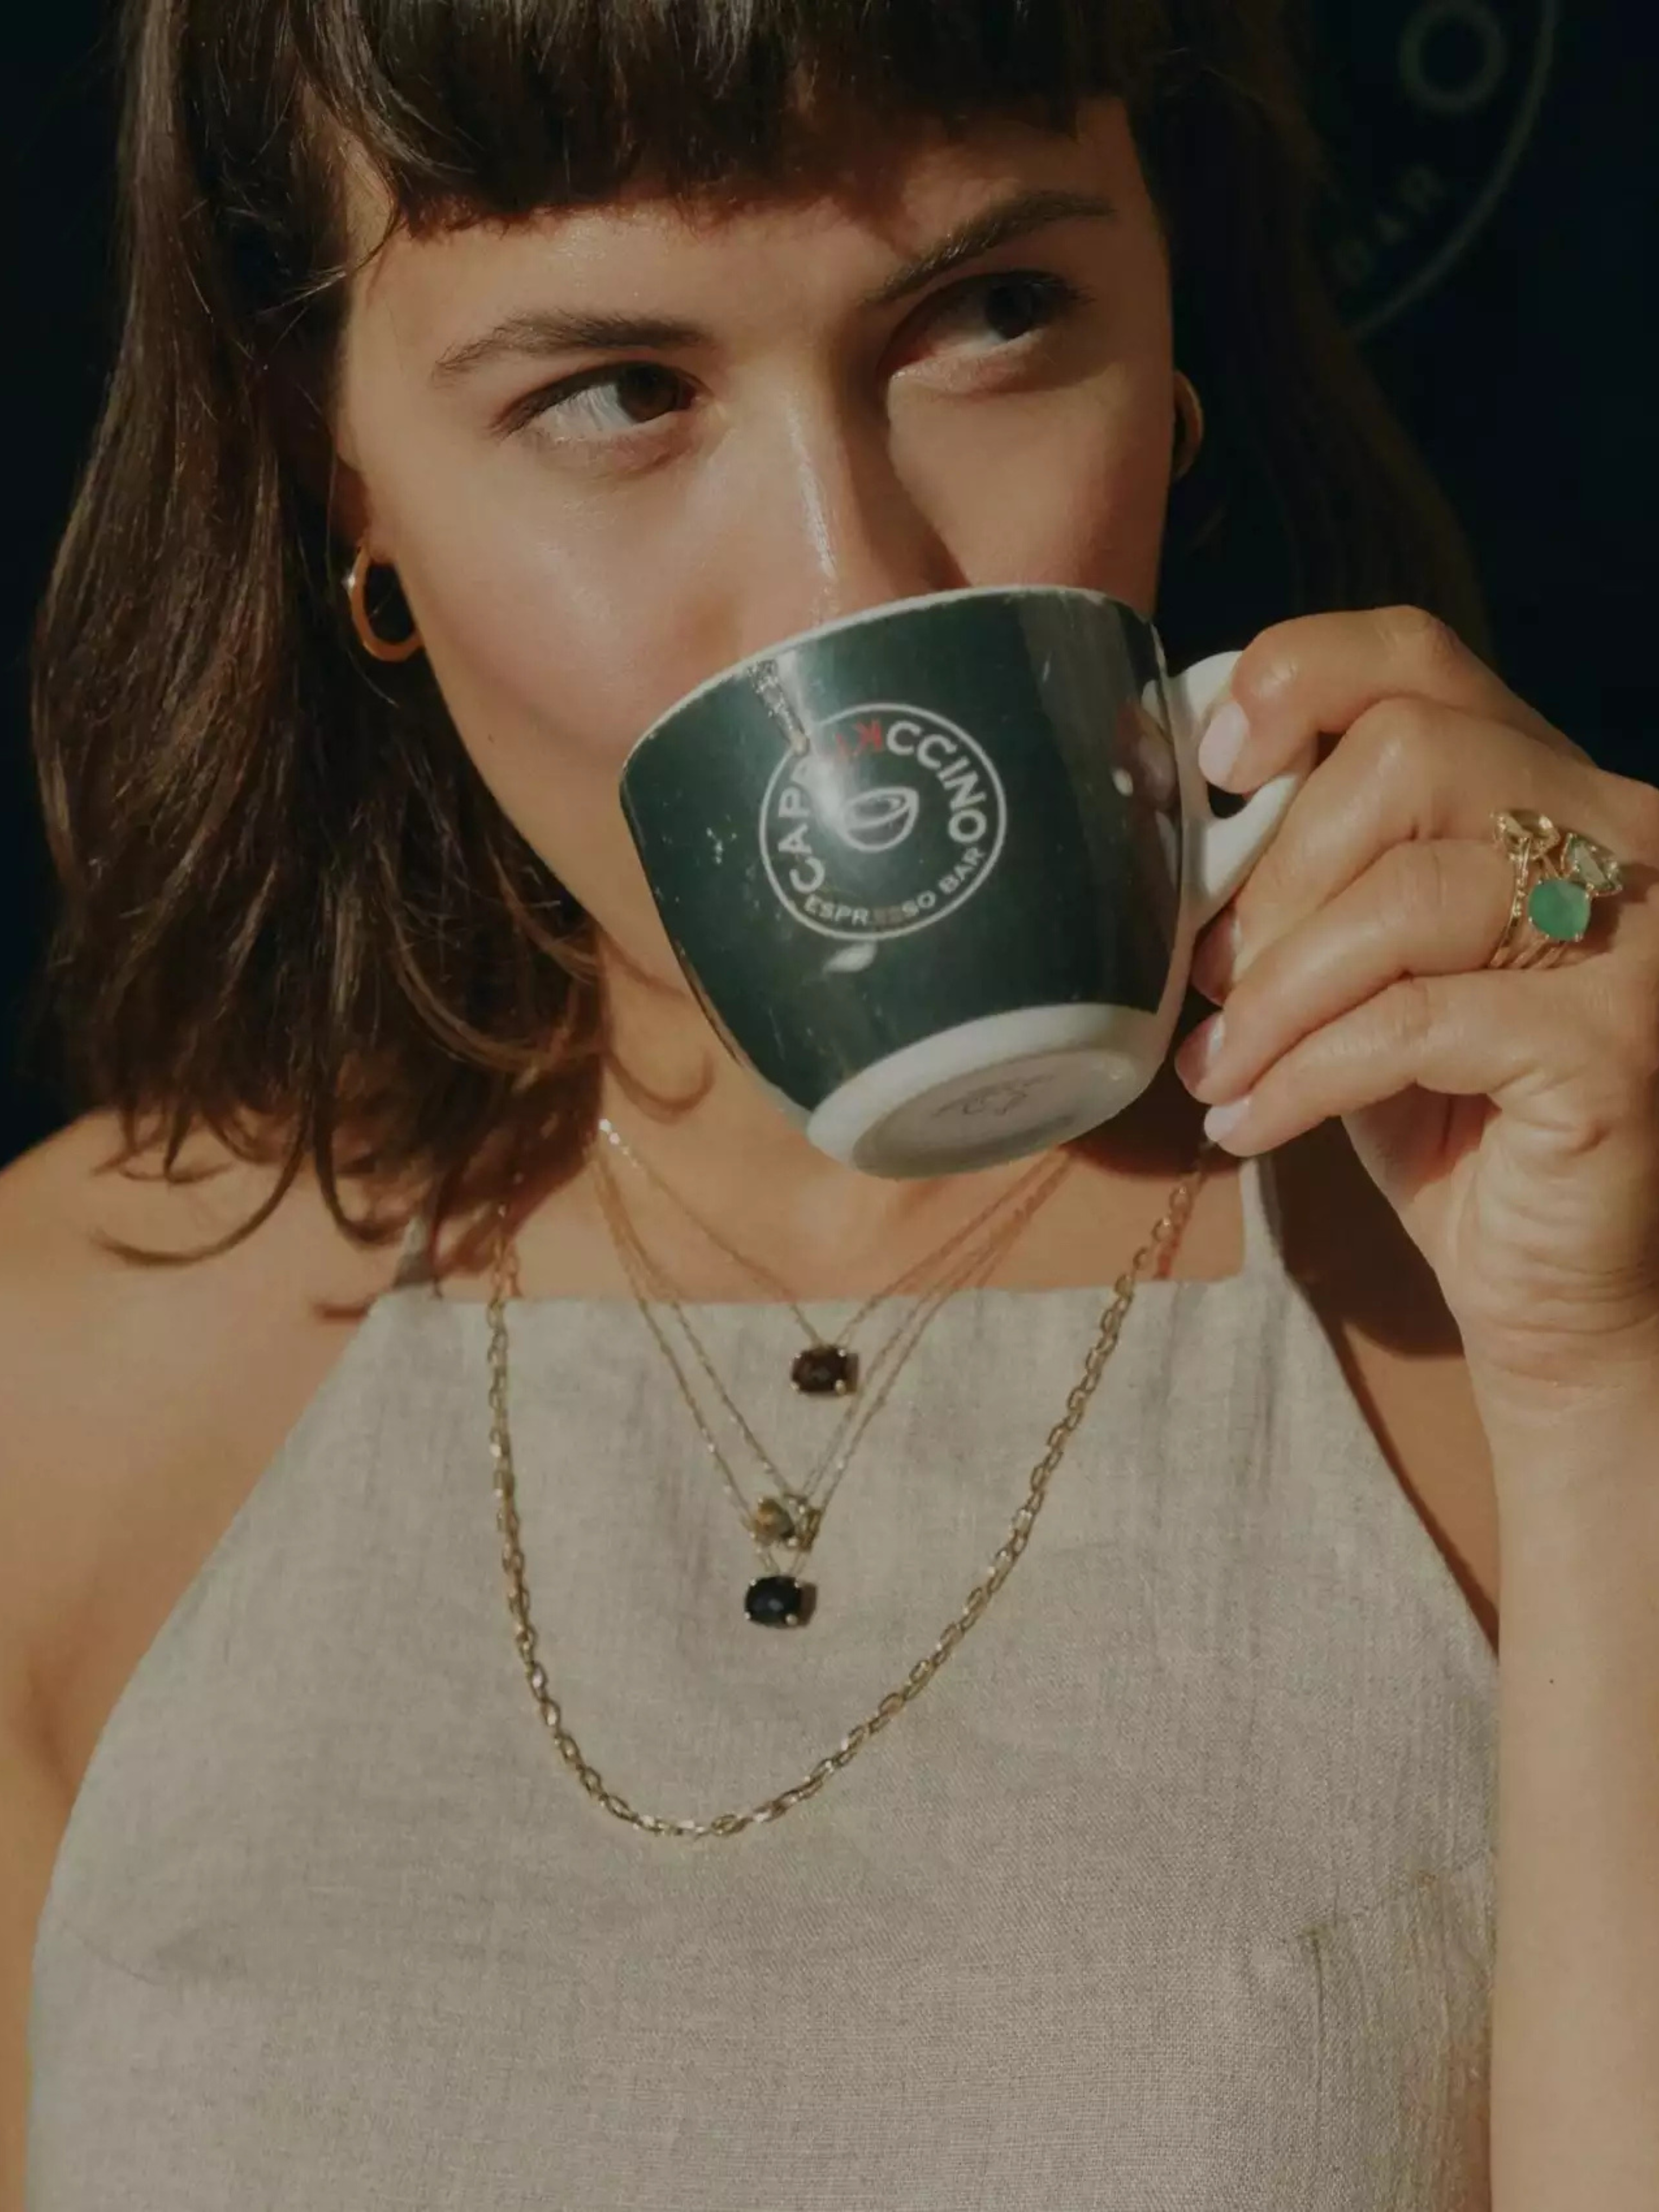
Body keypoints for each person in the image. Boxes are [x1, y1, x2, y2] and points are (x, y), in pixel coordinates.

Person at [4, 0, 1656, 2204]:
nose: (851, 578)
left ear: (1171, 329)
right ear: (340, 474)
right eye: (619, 392)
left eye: (990, 314)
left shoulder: (1532, 1271)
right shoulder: (75, 1361)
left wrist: (1611, 1372)